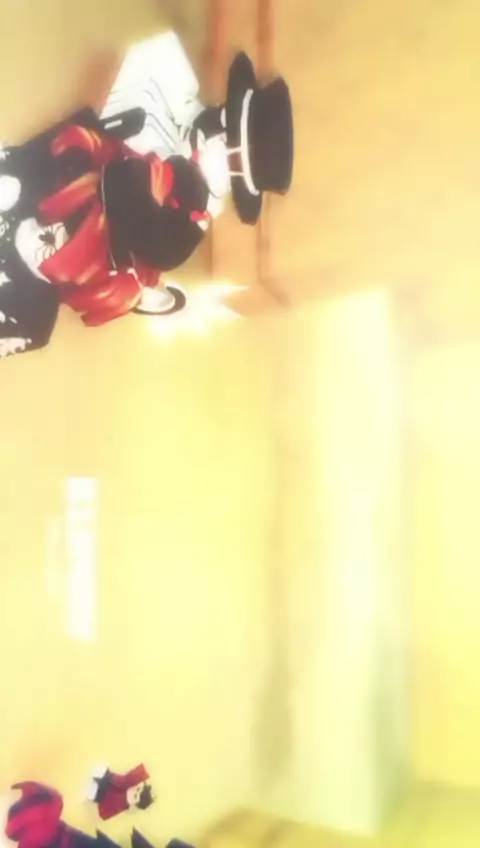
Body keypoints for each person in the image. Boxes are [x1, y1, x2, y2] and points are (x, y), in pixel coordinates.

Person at [86, 764, 154, 820]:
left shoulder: (122, 804)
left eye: (135, 796)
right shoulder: (131, 783)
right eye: (138, 789)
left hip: (98, 793)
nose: (134, 791)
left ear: (133, 804)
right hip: (105, 777)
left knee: (90, 790)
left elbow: (103, 813)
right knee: (98, 770)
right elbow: (141, 772)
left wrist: (125, 800)